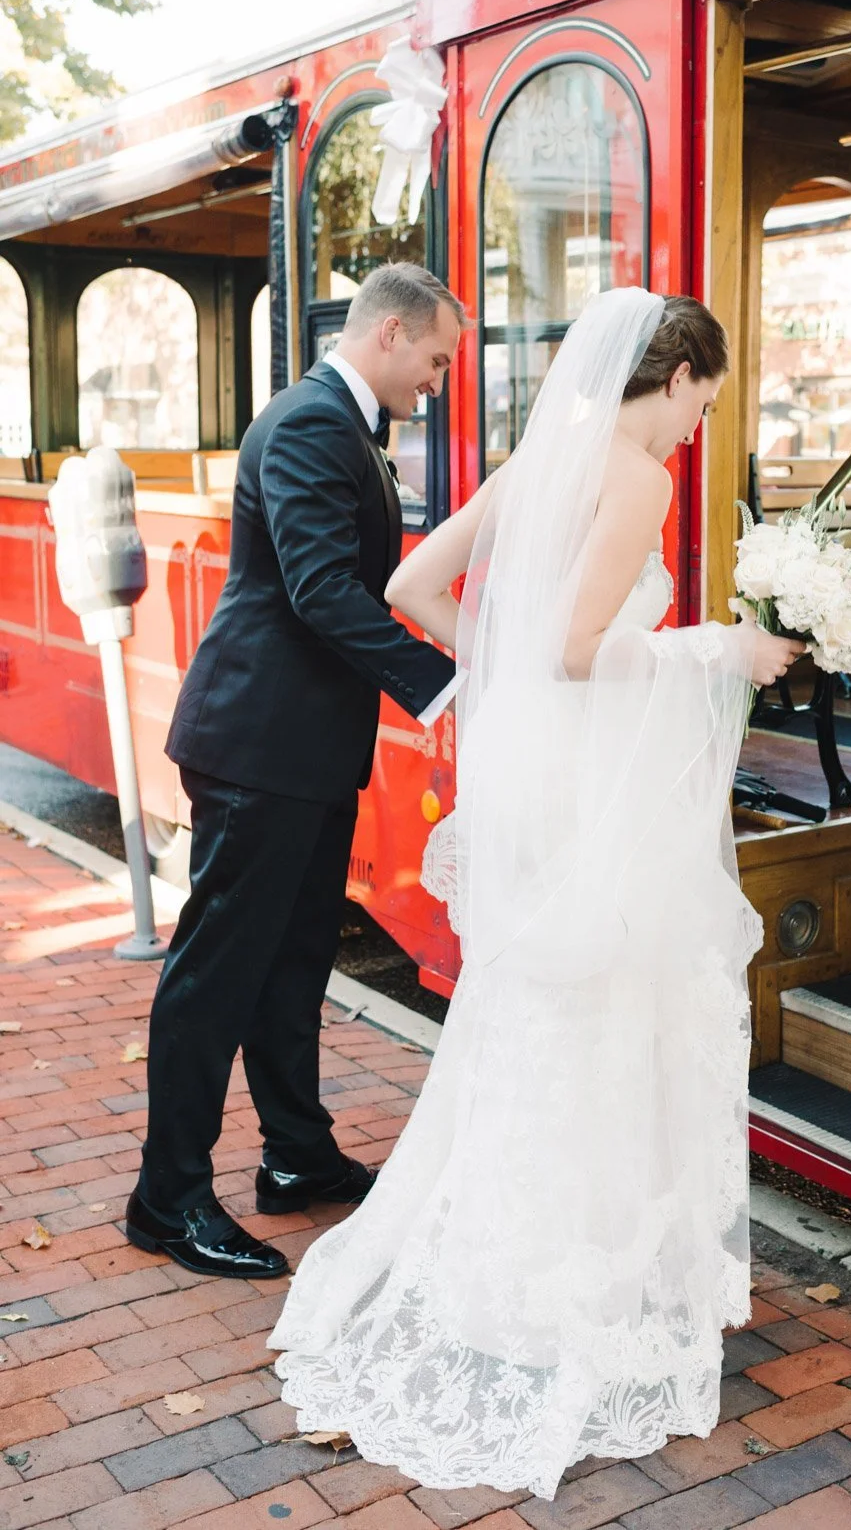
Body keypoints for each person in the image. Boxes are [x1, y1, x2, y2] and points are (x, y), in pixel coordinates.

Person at [270, 288, 801, 1497]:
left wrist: (499, 685)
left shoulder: (537, 461)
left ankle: (517, 1272)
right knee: (605, 1012)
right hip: (601, 792)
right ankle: (589, 1290)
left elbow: (413, 587)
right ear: (672, 381)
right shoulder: (636, 478)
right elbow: (578, 650)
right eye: (700, 404)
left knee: (535, 1015)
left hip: (540, 784)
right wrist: (722, 647)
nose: (691, 430)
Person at [125, 263, 465, 1281]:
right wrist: (445, 687)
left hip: (302, 752)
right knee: (215, 977)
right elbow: (320, 591)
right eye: (438, 360)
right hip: (257, 748)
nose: (440, 382)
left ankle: (295, 1159)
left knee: (293, 962)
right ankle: (167, 1197)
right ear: (393, 332)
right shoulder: (315, 423)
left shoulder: (342, 423)